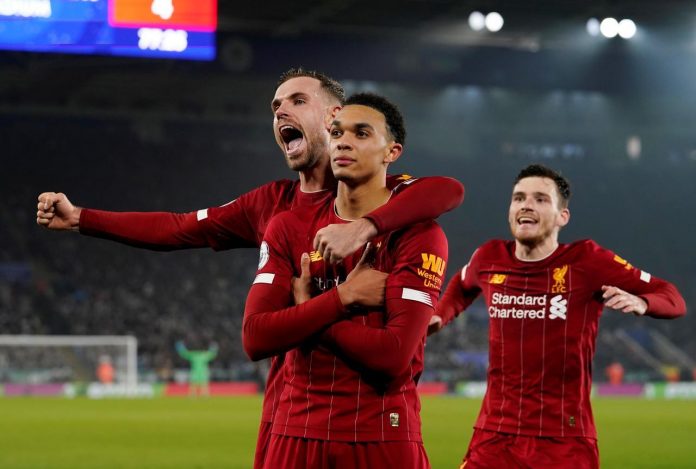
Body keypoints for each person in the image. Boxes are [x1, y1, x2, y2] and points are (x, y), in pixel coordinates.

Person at [35, 68, 465, 468]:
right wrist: (82, 218)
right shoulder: (274, 207)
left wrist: (365, 228)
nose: (280, 111)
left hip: (377, 424)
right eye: (275, 107)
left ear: (335, 115)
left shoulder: (390, 193)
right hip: (292, 410)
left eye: (296, 100)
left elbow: (446, 190)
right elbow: (179, 227)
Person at [430, 164, 686, 469]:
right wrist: (439, 316)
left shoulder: (588, 261)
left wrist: (643, 301)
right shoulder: (489, 257)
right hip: (494, 436)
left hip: (563, 441)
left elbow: (672, 297)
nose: (526, 204)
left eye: (540, 199)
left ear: (562, 217)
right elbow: (461, 285)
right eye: (519, 198)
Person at [243, 93, 447, 469]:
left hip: (383, 434)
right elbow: (256, 337)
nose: (343, 141)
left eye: (362, 133)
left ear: (392, 152)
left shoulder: (418, 234)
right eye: (336, 132)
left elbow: (392, 356)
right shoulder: (288, 226)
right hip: (295, 434)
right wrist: (343, 298)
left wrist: (307, 315)